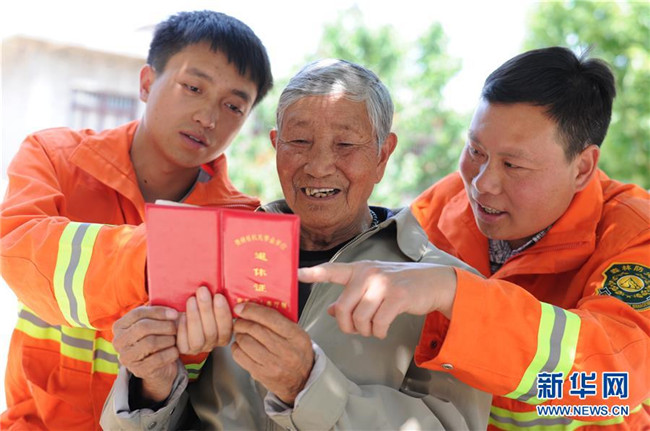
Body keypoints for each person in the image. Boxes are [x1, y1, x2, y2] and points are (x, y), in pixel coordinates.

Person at [100, 59, 492, 430]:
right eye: (300, 140)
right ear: (276, 146)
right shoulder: (215, 251)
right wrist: (151, 388)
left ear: (383, 154)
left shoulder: (446, 288)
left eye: (345, 144)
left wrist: (307, 386)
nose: (318, 166)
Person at [299, 47, 650, 429]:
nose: (483, 183)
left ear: (582, 167)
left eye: (513, 165)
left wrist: (453, 293)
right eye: (476, 151)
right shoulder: (433, 215)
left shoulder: (635, 234)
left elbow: (616, 378)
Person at [0, 10, 273, 430]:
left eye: (233, 106)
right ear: (146, 83)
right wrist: (161, 254)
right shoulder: (53, 158)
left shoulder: (243, 226)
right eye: (193, 87)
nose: (208, 117)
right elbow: (16, 250)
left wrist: (155, 385)